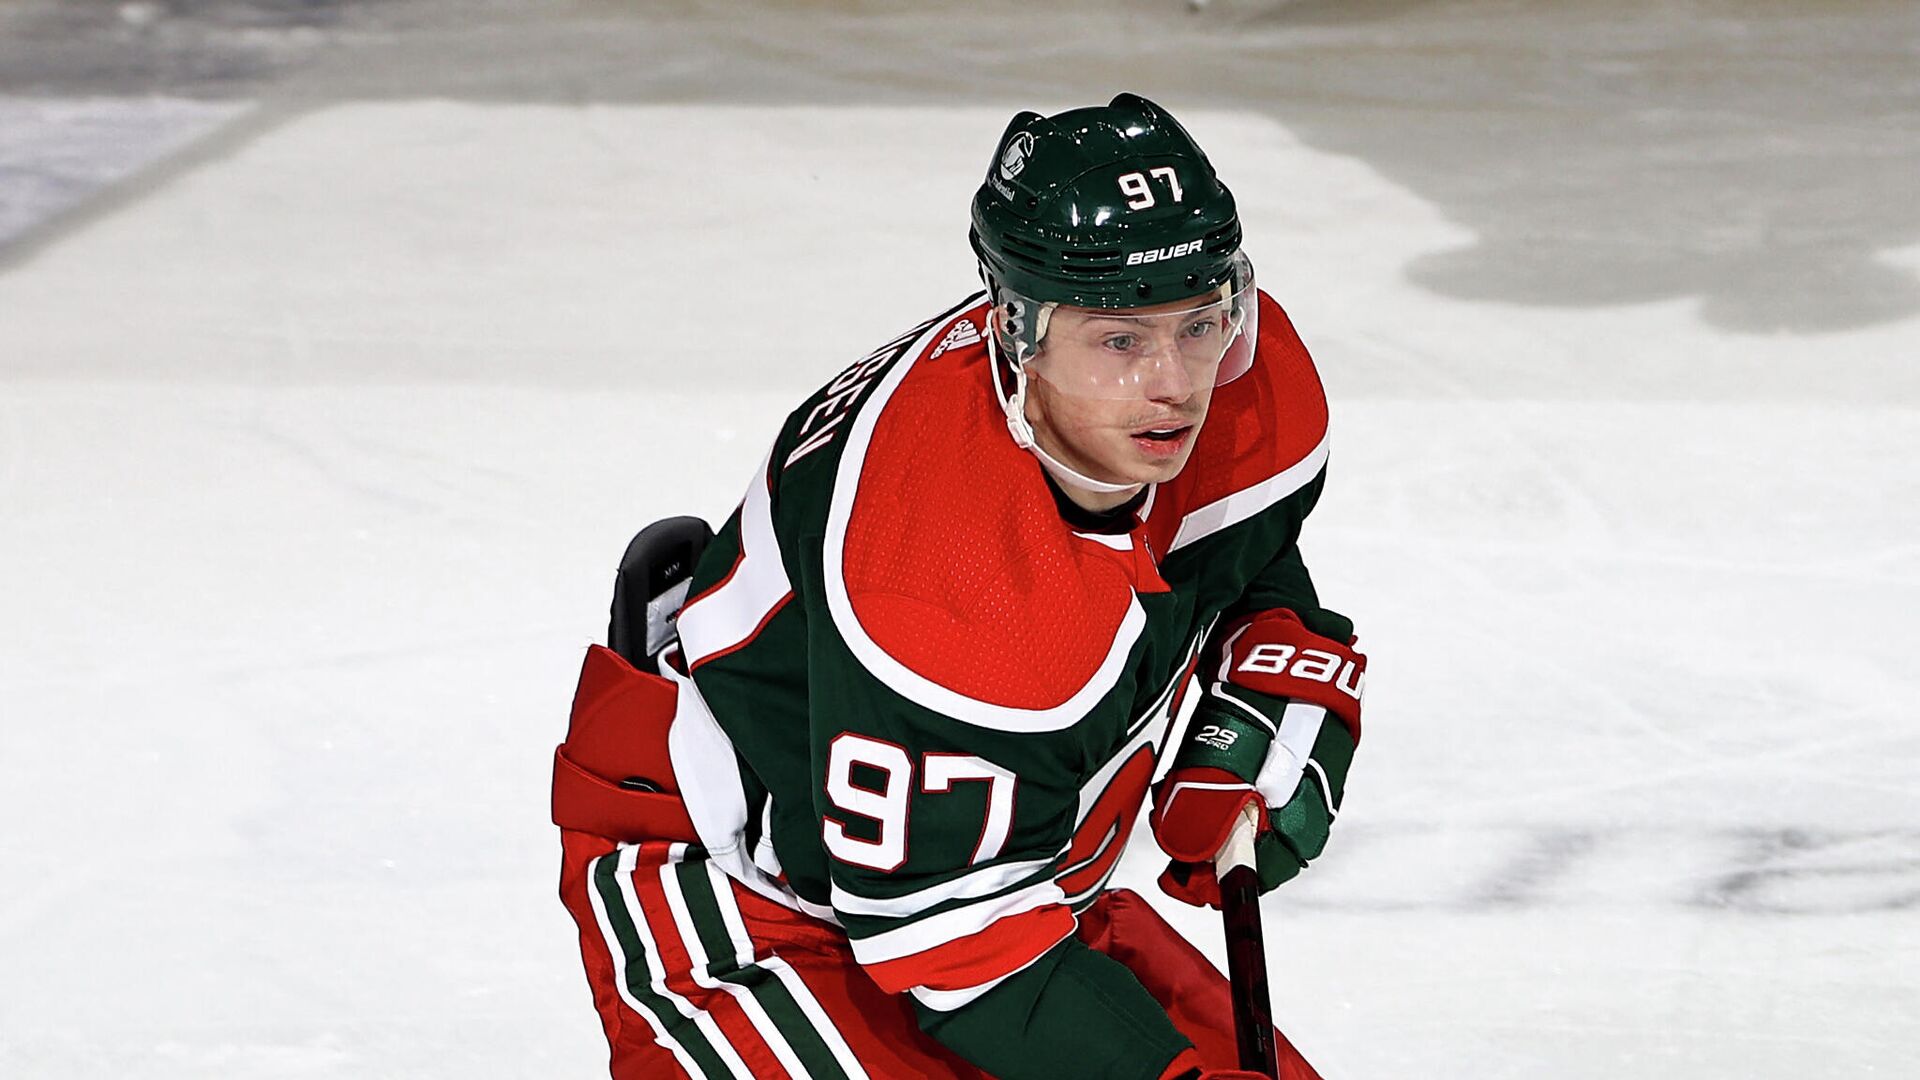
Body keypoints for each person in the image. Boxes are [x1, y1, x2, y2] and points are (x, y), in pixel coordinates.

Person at [551, 94, 1367, 1080]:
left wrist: (1268, 656)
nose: (1177, 384)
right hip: (753, 900)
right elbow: (970, 957)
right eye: (1120, 340)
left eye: (1199, 323)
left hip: (1009, 872)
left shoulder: (1236, 384)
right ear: (1017, 331)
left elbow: (1234, 545)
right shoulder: (947, 585)